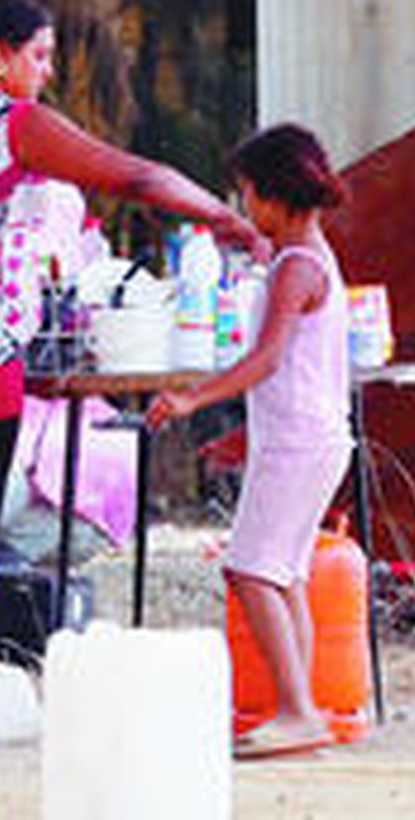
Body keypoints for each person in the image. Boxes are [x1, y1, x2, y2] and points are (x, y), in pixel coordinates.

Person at [0, 0, 262, 727]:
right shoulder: (13, 123)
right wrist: (222, 216)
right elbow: (132, 177)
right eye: (38, 55)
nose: (46, 72)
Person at [146, 123, 351, 759]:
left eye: (247, 196)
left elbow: (265, 360)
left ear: (272, 195)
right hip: (311, 438)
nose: (244, 209)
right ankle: (303, 709)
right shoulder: (306, 258)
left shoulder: (296, 268)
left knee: (249, 568)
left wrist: (191, 398)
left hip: (295, 441)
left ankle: (295, 709)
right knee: (282, 572)